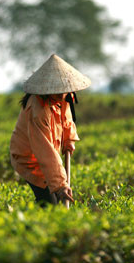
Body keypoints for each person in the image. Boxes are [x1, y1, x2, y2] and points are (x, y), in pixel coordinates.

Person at [9, 54, 91, 207]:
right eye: (57, 91)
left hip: (47, 156)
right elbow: (45, 151)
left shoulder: (65, 96)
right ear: (46, 89)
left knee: (54, 201)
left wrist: (68, 141)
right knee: (49, 204)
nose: (61, 95)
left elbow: (67, 121)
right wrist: (60, 185)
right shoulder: (38, 111)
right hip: (29, 159)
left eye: (63, 91)